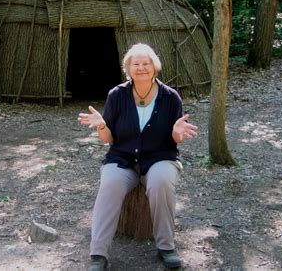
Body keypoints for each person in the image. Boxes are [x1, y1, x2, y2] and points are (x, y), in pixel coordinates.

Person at [78, 43, 198, 270]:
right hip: (122, 158)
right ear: (128, 68)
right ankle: (98, 254)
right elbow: (108, 139)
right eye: (136, 64)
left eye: (146, 63)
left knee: (161, 182)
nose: (141, 68)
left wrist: (177, 132)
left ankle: (166, 246)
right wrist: (102, 125)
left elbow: (176, 139)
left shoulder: (170, 97)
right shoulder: (117, 95)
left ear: (155, 67)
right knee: (110, 184)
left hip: (161, 156)